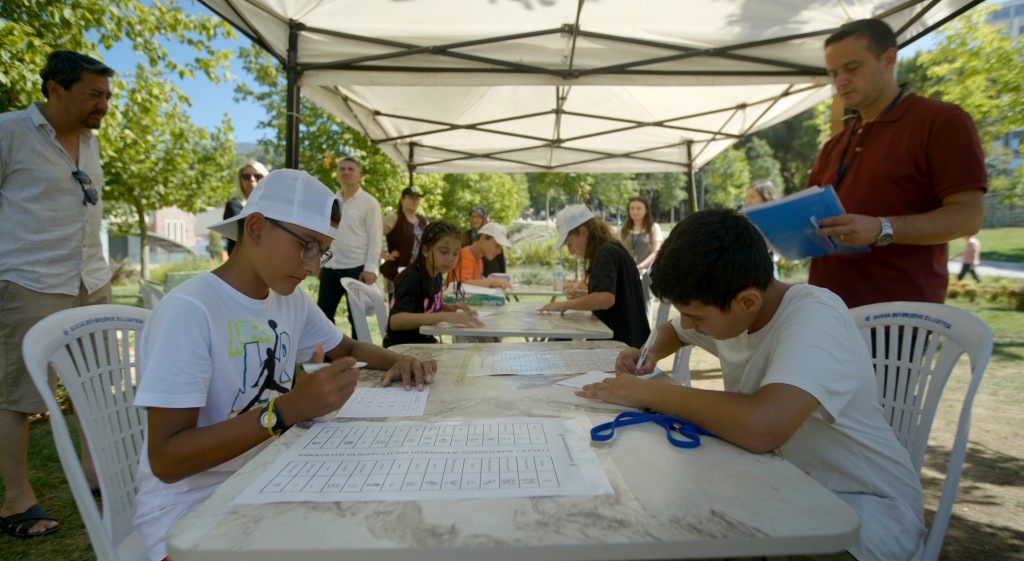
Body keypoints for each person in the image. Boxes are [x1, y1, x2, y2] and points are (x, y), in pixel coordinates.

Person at [580, 208, 924, 561]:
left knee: (685, 528)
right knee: (660, 512)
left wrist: (650, 392)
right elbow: (672, 331)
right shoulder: (737, 311)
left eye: (697, 316)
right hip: (786, 490)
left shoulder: (815, 315)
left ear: (747, 301)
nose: (689, 324)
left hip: (865, 514)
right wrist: (646, 352)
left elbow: (762, 428)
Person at [132, 170, 437, 561]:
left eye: (321, 252)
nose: (314, 267)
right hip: (188, 519)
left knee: (392, 516)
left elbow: (346, 347)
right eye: (307, 246)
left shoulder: (287, 299)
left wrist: (402, 359)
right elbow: (167, 460)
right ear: (256, 227)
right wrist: (286, 410)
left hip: (266, 483)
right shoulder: (190, 311)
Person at [0, 50, 115, 539]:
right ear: (54, 89)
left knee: (98, 384)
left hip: (91, 279)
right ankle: (16, 500)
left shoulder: (89, 142)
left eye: (107, 96)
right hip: (31, 280)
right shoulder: (9, 132)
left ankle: (96, 475)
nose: (104, 106)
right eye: (94, 94)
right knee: (17, 395)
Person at [807, 19, 986, 309]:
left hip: (898, 322)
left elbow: (969, 217)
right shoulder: (835, 144)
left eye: (852, 68)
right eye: (833, 73)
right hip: (826, 313)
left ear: (888, 59)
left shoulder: (942, 121)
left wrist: (881, 228)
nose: (840, 81)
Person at [539, 205, 650, 348]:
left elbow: (605, 299)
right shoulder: (611, 248)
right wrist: (586, 296)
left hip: (622, 346)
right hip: (632, 341)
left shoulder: (604, 253)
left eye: (569, 243)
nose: (571, 251)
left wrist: (564, 305)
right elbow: (615, 295)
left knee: (559, 351)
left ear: (583, 232)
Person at [384, 221, 482, 347]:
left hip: (424, 344)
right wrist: (444, 316)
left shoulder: (436, 274)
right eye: (444, 251)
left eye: (455, 253)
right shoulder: (412, 278)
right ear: (425, 250)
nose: (450, 259)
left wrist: (444, 306)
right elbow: (396, 321)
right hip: (403, 350)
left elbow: (421, 303)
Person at [317, 157, 383, 339]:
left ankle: (360, 359)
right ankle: (328, 358)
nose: (346, 172)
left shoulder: (369, 202)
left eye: (351, 169)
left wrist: (370, 268)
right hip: (330, 266)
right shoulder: (331, 201)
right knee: (323, 314)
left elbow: (375, 236)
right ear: (337, 174)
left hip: (357, 268)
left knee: (357, 318)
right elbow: (325, 233)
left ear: (359, 175)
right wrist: (320, 262)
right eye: (342, 169)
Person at [381, 186, 429, 298]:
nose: (414, 201)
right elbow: (374, 234)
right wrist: (384, 255)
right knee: (397, 305)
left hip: (417, 273)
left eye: (417, 198)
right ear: (402, 199)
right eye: (411, 198)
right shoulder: (395, 218)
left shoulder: (422, 220)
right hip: (396, 273)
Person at [619, 197, 661, 306]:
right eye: (632, 208)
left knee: (644, 304)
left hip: (646, 273)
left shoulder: (653, 228)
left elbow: (655, 252)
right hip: (628, 272)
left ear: (646, 210)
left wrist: (640, 266)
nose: (634, 211)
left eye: (638, 208)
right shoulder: (624, 229)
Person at [223, 160, 270, 255]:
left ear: (265, 178)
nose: (252, 179)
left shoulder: (273, 204)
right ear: (240, 180)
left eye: (257, 176)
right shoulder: (233, 205)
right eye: (246, 176)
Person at [446, 222, 513, 290]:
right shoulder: (466, 255)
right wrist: (492, 282)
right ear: (483, 238)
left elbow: (475, 282)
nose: (499, 252)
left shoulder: (478, 258)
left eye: (501, 248)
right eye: (497, 245)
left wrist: (494, 283)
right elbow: (462, 283)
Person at [743, 178, 781, 278]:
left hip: (767, 269)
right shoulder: (746, 218)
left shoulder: (775, 219)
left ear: (766, 197)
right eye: (747, 197)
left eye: (753, 197)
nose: (748, 201)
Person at [463, 205, 506, 277]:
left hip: (492, 273)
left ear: (484, 219)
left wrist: (503, 276)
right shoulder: (464, 236)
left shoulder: (492, 234)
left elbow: (500, 258)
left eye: (478, 217)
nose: (475, 220)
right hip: (473, 273)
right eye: (473, 216)